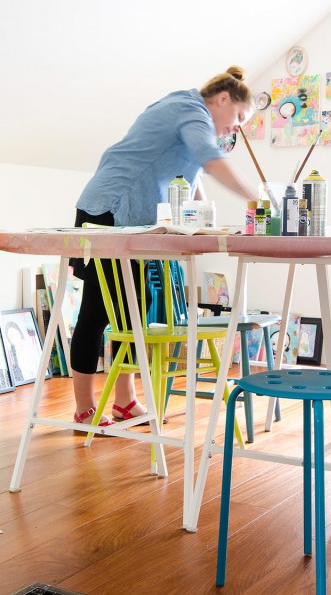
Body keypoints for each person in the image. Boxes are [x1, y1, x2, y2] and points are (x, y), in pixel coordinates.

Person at [68, 65, 258, 427]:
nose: (237, 128)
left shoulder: (189, 114)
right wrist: (258, 199)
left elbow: (194, 176)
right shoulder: (189, 111)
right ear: (222, 99)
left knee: (132, 311)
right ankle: (83, 409)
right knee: (97, 311)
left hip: (130, 218)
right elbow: (211, 160)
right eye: (238, 117)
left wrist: (206, 222)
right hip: (108, 210)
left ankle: (124, 402)